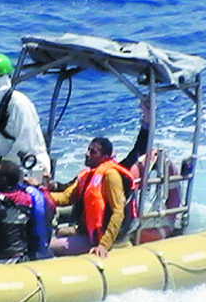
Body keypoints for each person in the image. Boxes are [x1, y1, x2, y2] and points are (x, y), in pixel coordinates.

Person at [33, 103, 151, 259]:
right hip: (86, 230)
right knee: (59, 231)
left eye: (93, 152)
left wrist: (104, 245)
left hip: (104, 238)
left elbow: (118, 212)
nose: (87, 154)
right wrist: (40, 191)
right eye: (88, 150)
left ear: (105, 157)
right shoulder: (88, 175)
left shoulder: (111, 175)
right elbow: (67, 196)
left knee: (50, 246)